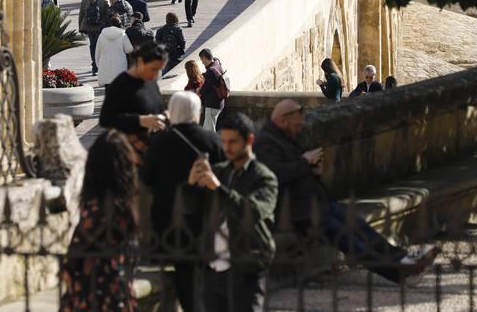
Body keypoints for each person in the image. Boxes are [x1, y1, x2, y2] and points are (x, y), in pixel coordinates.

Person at [254, 99, 438, 284]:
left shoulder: (283, 136)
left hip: (316, 202)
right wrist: (305, 161)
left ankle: (402, 258)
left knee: (361, 227)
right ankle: (400, 273)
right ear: (283, 120)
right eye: (297, 125)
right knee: (350, 241)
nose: (299, 129)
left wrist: (313, 171)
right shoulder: (266, 142)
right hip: (299, 212)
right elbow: (275, 175)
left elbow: (294, 170)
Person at [142, 92, 225, 312]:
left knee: (184, 273)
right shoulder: (213, 140)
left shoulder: (159, 142)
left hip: (169, 220)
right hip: (206, 218)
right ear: (197, 113)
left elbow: (146, 178)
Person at [186, 113, 278, 312]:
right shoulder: (219, 171)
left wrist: (218, 188)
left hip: (246, 269)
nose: (226, 148)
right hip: (213, 269)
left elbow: (251, 212)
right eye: (224, 141)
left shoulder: (264, 178)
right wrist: (191, 185)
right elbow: (192, 211)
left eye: (233, 142)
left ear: (249, 140)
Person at [60, 130, 138, 312]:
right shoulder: (125, 211)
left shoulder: (96, 211)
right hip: (118, 297)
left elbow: (74, 258)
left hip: (91, 298)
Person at [99, 41, 168, 161]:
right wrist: (140, 121)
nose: (155, 75)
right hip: (128, 155)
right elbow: (105, 119)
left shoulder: (151, 82)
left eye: (159, 70)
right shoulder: (121, 84)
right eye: (153, 69)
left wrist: (166, 114)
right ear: (140, 62)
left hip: (152, 151)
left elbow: (158, 107)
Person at [78, 0, 109, 75]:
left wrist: (80, 27)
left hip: (89, 27)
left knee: (92, 46)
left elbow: (81, 14)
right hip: (100, 27)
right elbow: (107, 14)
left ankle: (94, 65)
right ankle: (98, 64)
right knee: (100, 46)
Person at [95, 14, 134, 87]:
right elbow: (129, 49)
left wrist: (98, 65)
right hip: (119, 65)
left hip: (105, 64)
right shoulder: (123, 34)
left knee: (108, 87)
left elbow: (98, 51)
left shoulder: (102, 35)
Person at [199, 48, 226, 132]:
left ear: (204, 58)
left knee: (209, 130)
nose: (202, 62)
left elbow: (205, 89)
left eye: (201, 59)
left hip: (212, 104)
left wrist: (199, 90)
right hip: (220, 103)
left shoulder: (211, 71)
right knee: (210, 128)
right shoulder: (217, 64)